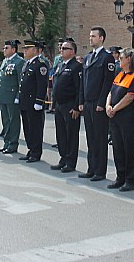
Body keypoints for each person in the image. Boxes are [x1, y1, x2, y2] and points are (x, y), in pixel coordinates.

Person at [78, 27, 116, 182]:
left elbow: (108, 83)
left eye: (93, 36)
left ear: (101, 38)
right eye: (90, 35)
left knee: (100, 138)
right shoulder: (87, 58)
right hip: (87, 103)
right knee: (90, 137)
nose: (90, 38)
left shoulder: (107, 58)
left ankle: (100, 171)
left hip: (98, 104)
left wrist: (102, 102)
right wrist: (80, 101)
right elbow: (83, 82)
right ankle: (91, 168)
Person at [105, 48, 134, 192]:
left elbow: (130, 96)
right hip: (116, 117)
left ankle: (130, 180)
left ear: (129, 59)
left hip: (129, 117)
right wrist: (108, 105)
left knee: (129, 149)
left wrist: (114, 108)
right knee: (117, 147)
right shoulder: (120, 74)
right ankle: (119, 177)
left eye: (121, 57)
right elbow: (111, 91)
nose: (119, 60)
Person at [51, 39, 82, 172]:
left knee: (71, 135)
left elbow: (79, 88)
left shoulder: (76, 66)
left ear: (72, 52)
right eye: (61, 48)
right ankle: (63, 158)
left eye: (65, 48)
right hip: (59, 105)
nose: (61, 51)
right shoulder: (61, 65)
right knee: (61, 134)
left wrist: (76, 107)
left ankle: (70, 162)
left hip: (70, 105)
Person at [18, 40, 49, 162]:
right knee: (27, 127)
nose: (25, 51)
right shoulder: (27, 64)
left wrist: (39, 101)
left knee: (35, 127)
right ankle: (30, 149)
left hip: (34, 102)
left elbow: (42, 84)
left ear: (36, 50)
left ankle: (36, 152)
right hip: (25, 101)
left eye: (28, 49)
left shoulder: (40, 64)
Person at [0, 40, 25, 153]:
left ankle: (13, 144)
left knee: (13, 121)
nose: (4, 50)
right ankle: (6, 142)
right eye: (4, 48)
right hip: (4, 95)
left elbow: (20, 81)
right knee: (6, 120)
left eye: (6, 48)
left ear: (13, 49)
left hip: (12, 96)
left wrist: (18, 95)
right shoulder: (5, 61)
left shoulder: (19, 62)